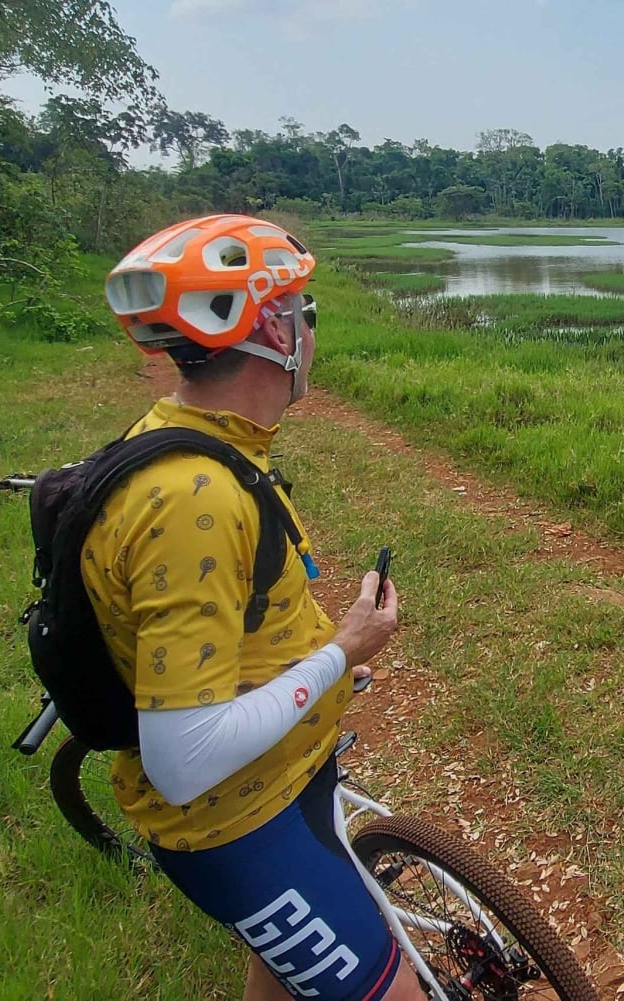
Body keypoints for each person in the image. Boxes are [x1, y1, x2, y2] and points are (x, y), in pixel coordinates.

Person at [89, 215, 422, 1001]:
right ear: (273, 327)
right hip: (235, 821)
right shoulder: (188, 498)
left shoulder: (205, 438)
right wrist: (345, 648)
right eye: (304, 311)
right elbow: (183, 758)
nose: (311, 330)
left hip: (287, 778)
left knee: (277, 973)